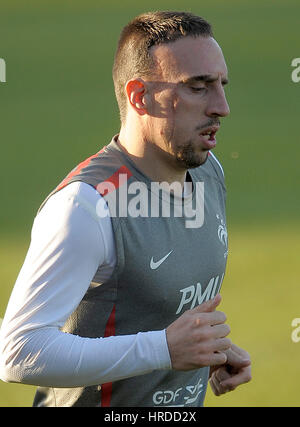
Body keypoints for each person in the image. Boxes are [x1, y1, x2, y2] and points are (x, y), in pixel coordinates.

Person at [0, 11, 251, 407]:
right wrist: (163, 350)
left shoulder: (207, 173)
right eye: (198, 87)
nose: (222, 106)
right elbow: (18, 352)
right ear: (139, 96)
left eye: (221, 84)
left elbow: (147, 308)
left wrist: (204, 349)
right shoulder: (86, 207)